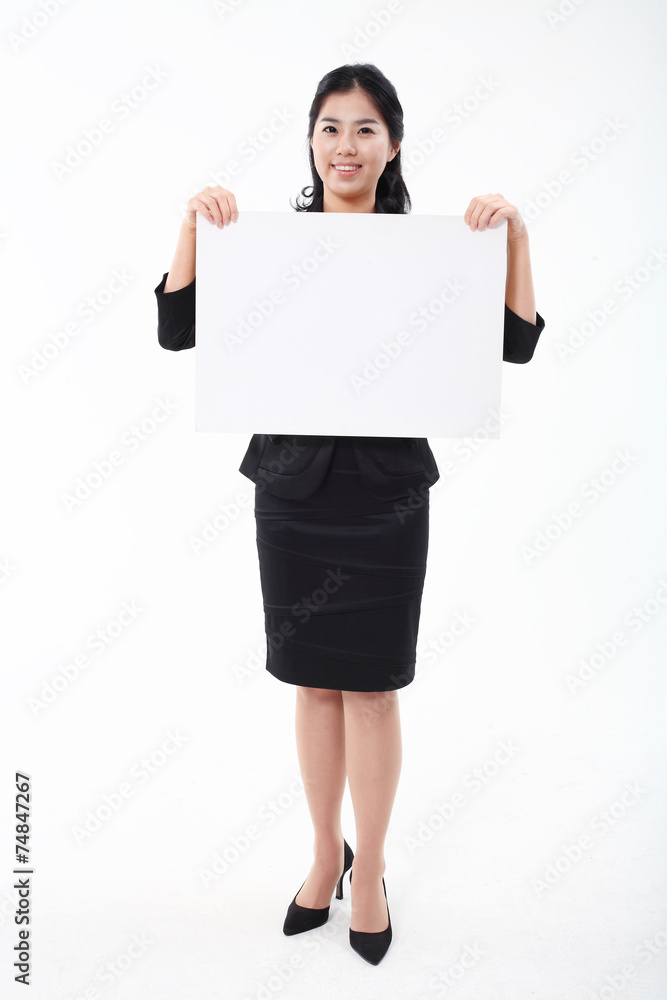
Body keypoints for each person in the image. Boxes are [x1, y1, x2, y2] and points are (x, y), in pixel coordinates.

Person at [154, 62, 545, 966]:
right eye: (330, 127)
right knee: (313, 683)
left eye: (365, 128)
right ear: (310, 141)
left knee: (371, 689)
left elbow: (515, 345)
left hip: (385, 498)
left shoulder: (434, 250)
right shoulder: (263, 245)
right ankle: (322, 855)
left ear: (392, 144)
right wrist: (191, 228)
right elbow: (177, 331)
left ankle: (370, 870)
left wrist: (514, 238)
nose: (345, 145)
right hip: (292, 494)